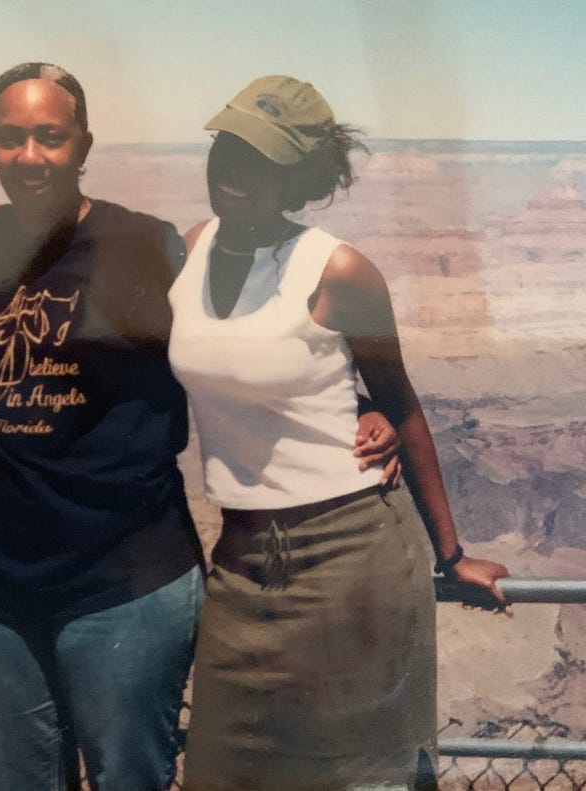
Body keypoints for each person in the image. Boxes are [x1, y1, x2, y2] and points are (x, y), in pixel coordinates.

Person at [0, 63, 399, 791]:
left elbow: (254, 342)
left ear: (83, 143)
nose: (31, 155)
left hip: (126, 581)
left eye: (51, 137)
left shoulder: (151, 247)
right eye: (12, 138)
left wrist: (367, 406)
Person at [168, 75, 510, 791]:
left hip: (353, 555)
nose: (232, 170)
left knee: (356, 778)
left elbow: (402, 402)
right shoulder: (189, 249)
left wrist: (453, 554)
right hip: (239, 561)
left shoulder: (339, 271)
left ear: (296, 175)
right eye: (226, 147)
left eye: (260, 159)